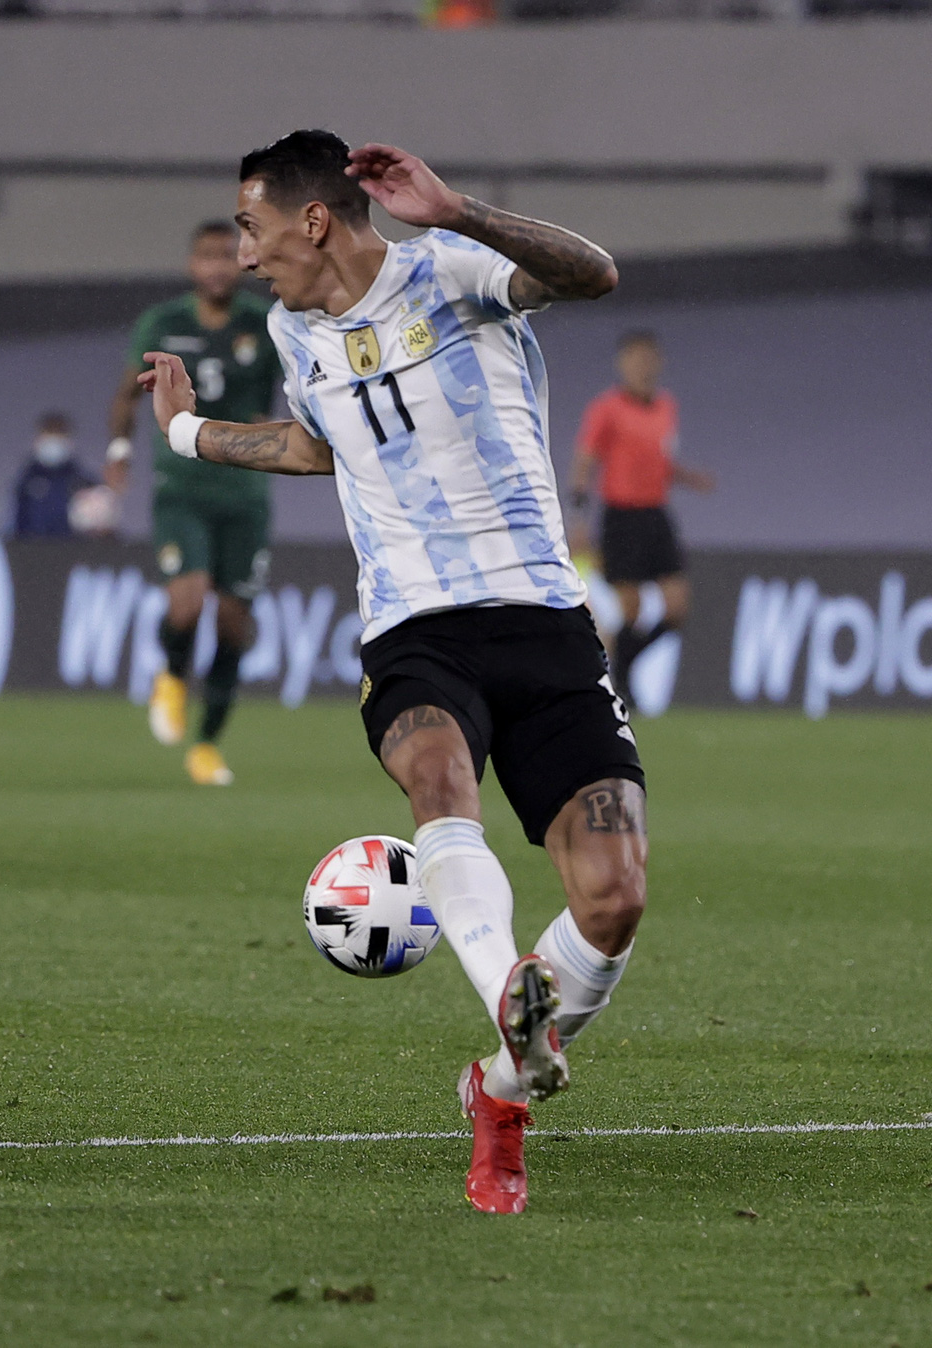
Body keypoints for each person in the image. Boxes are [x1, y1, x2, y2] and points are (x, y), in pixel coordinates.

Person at [139, 130, 643, 1214]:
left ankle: (498, 1084)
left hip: (542, 618)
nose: (242, 249)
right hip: (413, 628)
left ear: (309, 219)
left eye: (248, 224)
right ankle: (506, 990)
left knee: (612, 898)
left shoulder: (450, 273)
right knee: (436, 780)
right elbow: (324, 445)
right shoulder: (290, 330)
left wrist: (456, 208)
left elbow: (591, 274)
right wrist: (183, 433)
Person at [106, 221, 283, 787]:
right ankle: (172, 675)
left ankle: (206, 745)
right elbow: (125, 393)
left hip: (246, 492)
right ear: (191, 265)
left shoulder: (265, 323)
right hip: (182, 486)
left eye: (226, 256)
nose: (217, 267)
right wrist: (118, 451)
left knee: (234, 623)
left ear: (242, 262)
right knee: (186, 601)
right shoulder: (163, 323)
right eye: (206, 257)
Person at [568, 330, 715, 698]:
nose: (642, 367)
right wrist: (580, 517)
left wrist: (685, 477)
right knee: (630, 611)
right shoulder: (607, 409)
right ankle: (622, 682)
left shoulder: (667, 406)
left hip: (656, 514)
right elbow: (585, 462)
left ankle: (625, 665)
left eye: (648, 358)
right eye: (635, 359)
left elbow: (659, 459)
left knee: (677, 606)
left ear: (659, 362)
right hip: (622, 517)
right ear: (622, 364)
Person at [10, 412, 99, 538]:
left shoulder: (83, 482)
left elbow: (100, 527)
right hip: (31, 551)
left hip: (72, 551)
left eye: (59, 434)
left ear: (69, 440)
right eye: (49, 434)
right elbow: (10, 523)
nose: (53, 441)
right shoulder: (25, 482)